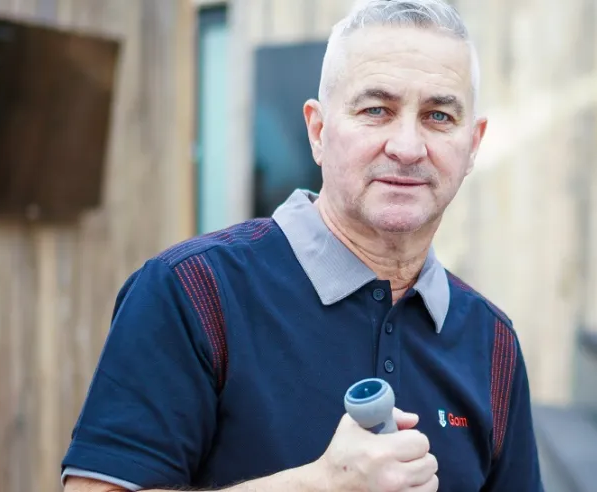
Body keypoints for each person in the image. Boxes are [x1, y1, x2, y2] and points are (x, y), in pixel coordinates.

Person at [60, 1, 543, 490]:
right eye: (377, 110)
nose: (407, 146)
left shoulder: (492, 343)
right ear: (318, 130)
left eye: (439, 116)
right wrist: (322, 484)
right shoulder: (191, 292)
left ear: (473, 145)